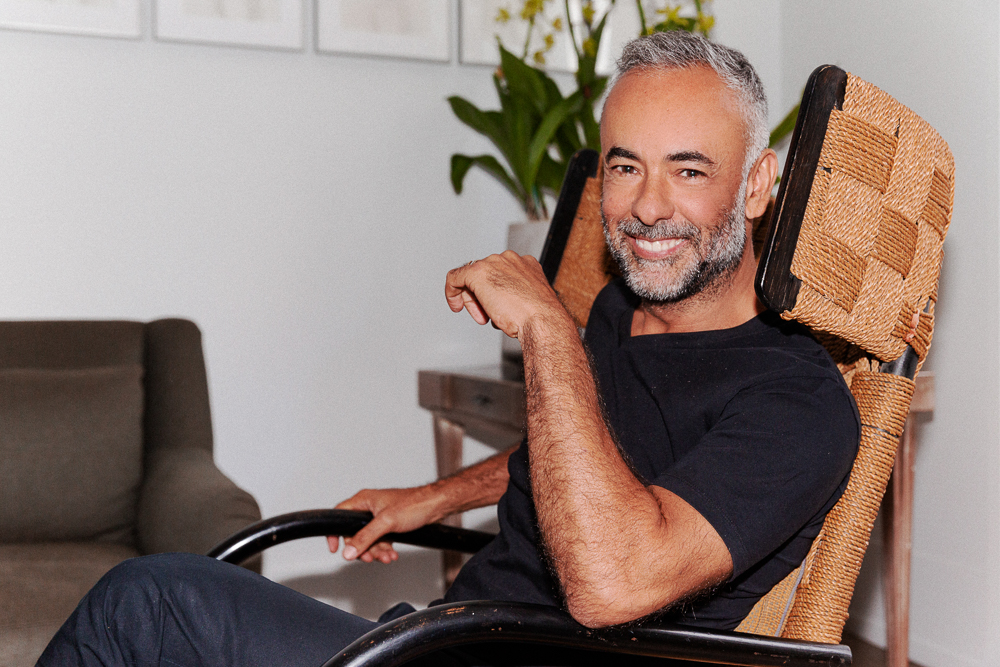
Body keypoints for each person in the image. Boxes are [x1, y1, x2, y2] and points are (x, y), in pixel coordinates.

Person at [37, 30, 859, 667]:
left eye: (689, 171)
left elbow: (613, 585)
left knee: (146, 604)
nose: (647, 207)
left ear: (757, 184)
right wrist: (433, 496)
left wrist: (547, 329)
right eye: (625, 166)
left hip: (489, 653)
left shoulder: (796, 402)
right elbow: (588, 451)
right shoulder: (625, 309)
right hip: (442, 636)